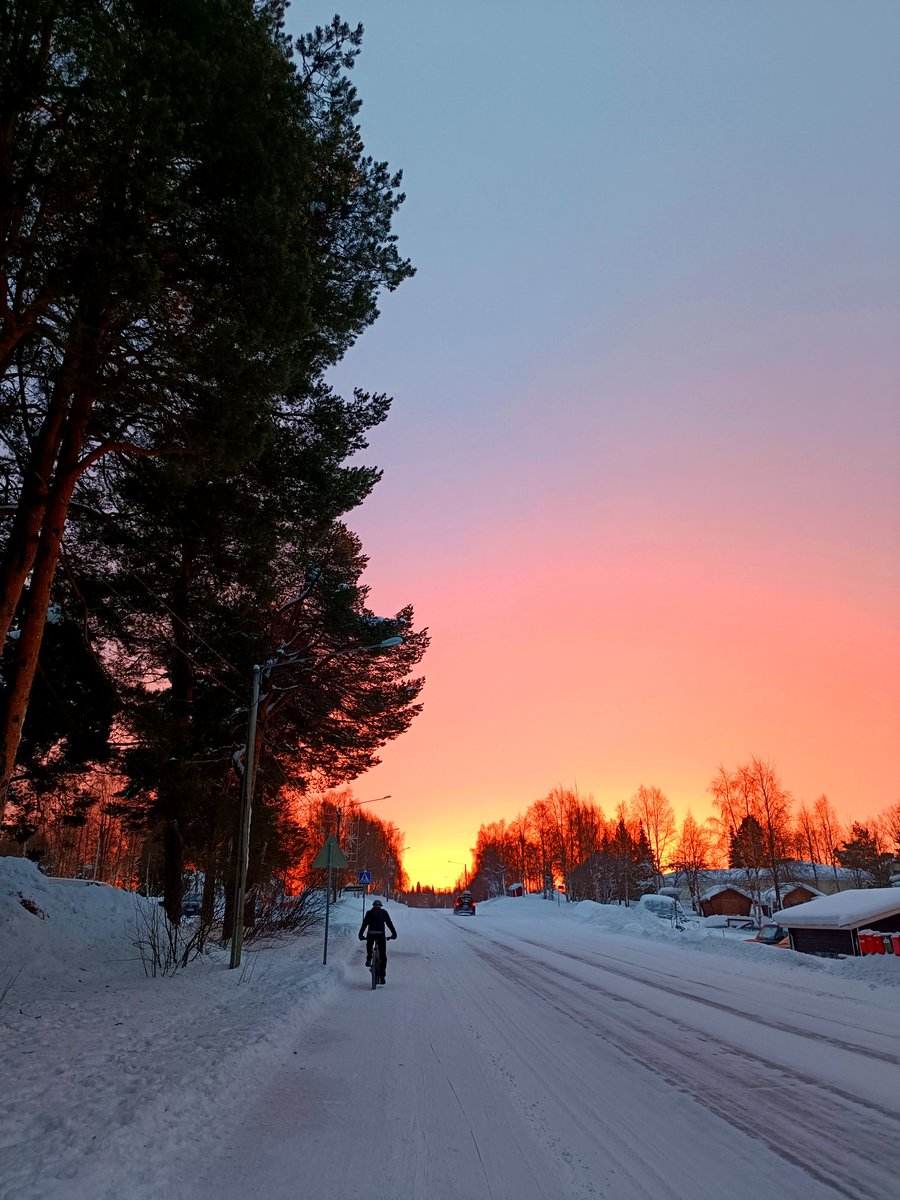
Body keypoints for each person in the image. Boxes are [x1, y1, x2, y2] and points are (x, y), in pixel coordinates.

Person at [358, 899, 397, 983]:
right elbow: (389, 924)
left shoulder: (369, 913)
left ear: (373, 906)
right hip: (380, 935)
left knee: (369, 944)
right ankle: (382, 976)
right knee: (383, 956)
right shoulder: (384, 912)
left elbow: (364, 924)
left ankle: (369, 958)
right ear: (380, 906)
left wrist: (360, 935)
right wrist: (394, 934)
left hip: (371, 934)